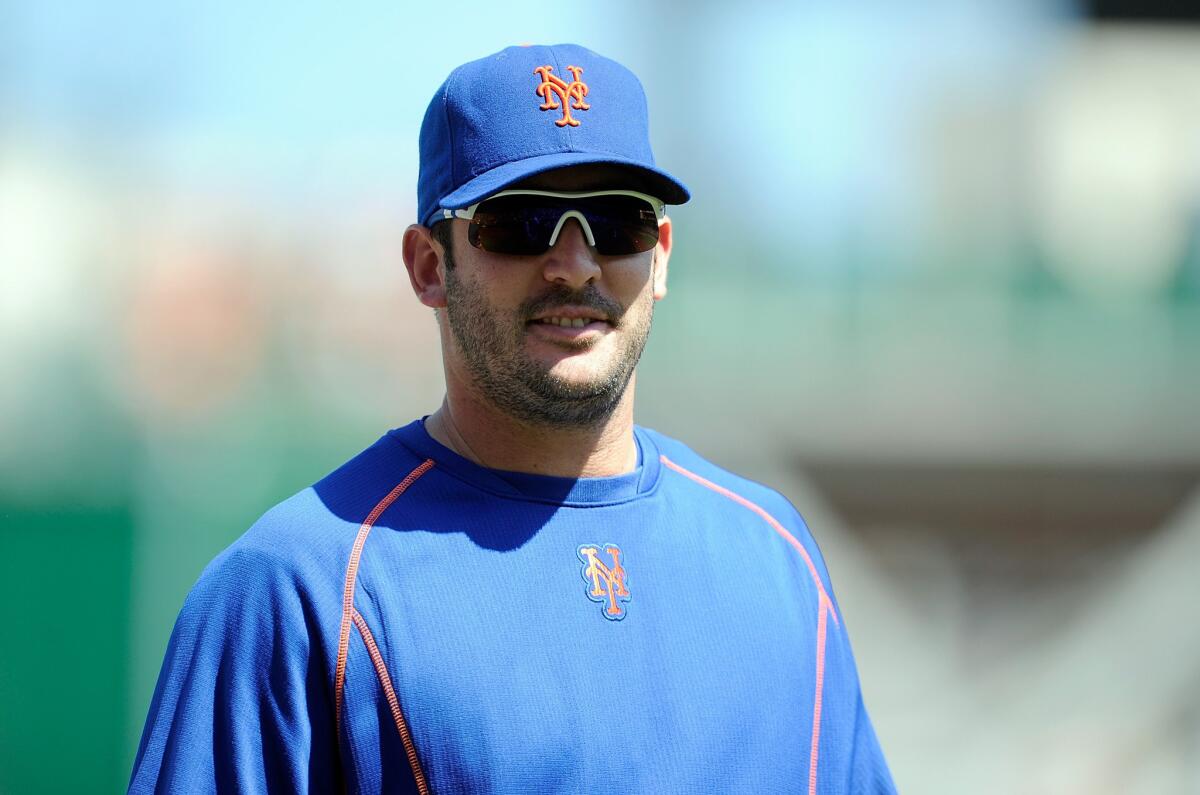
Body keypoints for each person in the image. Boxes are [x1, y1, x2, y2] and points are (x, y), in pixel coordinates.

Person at [130, 43, 897, 794]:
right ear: (430, 265)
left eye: (617, 221)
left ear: (659, 255)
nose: (576, 264)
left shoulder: (776, 554)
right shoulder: (298, 587)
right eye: (522, 222)